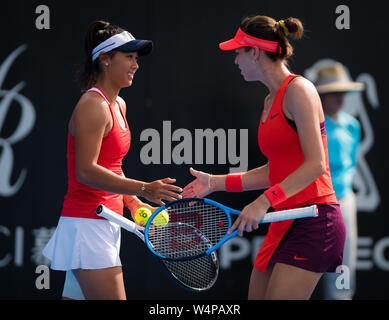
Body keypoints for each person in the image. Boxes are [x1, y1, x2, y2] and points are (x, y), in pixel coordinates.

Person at [182, 15, 345, 300]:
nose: (235, 61)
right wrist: (215, 182)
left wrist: (263, 202)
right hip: (284, 218)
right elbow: (277, 170)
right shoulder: (271, 100)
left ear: (255, 52)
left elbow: (317, 165)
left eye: (238, 52)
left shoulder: (300, 91)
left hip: (314, 218)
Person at [43, 20, 182, 300]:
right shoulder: (93, 106)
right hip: (87, 226)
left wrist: (131, 201)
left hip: (105, 221)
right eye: (128, 57)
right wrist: (143, 188)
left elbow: (111, 166)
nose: (136, 64)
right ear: (105, 59)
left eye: (136, 58)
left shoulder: (119, 104)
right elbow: (85, 171)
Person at [314, 62, 363, 300]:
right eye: (333, 92)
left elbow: (349, 165)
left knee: (343, 264)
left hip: (344, 202)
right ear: (321, 96)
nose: (340, 97)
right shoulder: (309, 126)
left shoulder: (353, 126)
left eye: (343, 91)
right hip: (313, 204)